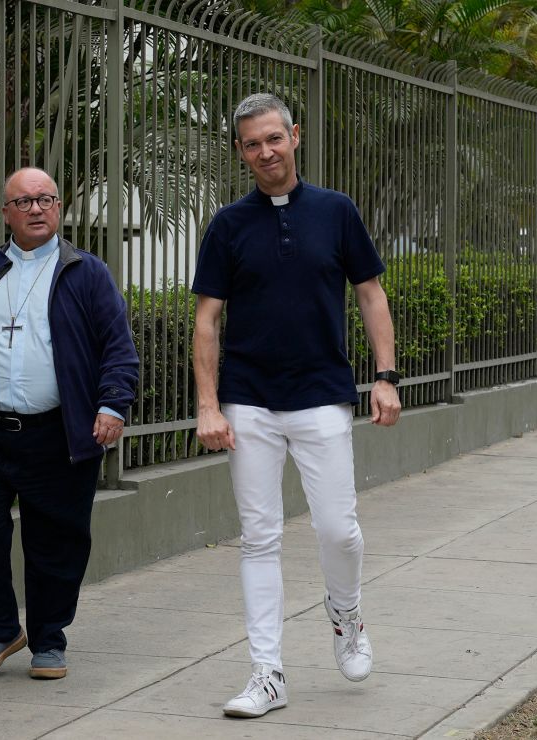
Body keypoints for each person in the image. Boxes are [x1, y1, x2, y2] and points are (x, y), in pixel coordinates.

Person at [192, 93, 402, 718]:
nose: (265, 152)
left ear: (295, 136)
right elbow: (206, 320)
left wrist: (386, 377)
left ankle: (347, 618)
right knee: (259, 538)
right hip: (249, 400)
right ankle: (268, 673)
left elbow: (371, 295)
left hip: (321, 396)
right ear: (240, 152)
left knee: (339, 530)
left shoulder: (336, 212)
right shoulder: (226, 225)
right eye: (252, 144)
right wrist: (209, 405)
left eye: (274, 139)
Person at [0, 166, 139, 680]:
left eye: (45, 199)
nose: (36, 209)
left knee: (56, 541)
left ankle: (49, 638)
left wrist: (113, 404)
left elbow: (118, 348)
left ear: (60, 207)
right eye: (24, 202)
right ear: (6, 213)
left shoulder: (86, 272)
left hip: (57, 434)